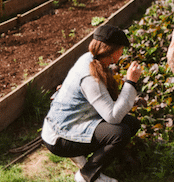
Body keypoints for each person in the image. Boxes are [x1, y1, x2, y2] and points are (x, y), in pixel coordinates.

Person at [42, 24, 142, 182]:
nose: (122, 54)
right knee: (119, 134)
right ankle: (86, 175)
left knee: (131, 124)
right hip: (60, 137)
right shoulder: (90, 76)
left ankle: (96, 159)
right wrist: (131, 82)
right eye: (121, 50)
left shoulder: (91, 59)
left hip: (76, 121)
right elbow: (113, 117)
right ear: (112, 51)